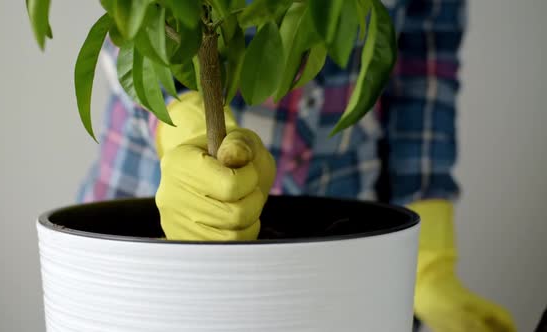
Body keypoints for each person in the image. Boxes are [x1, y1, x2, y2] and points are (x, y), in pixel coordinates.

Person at [78, 0, 516, 330]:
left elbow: (423, 68)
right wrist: (182, 124)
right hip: (152, 206)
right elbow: (134, 21)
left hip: (341, 230)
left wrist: (427, 256)